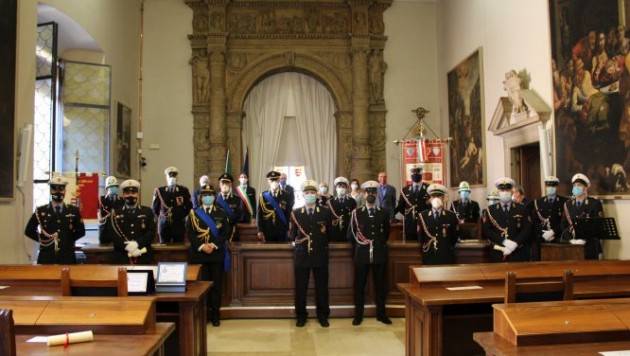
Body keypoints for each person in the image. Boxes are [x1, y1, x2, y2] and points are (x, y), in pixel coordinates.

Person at [348, 180, 391, 326]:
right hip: (362, 254)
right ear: (364, 194)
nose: (371, 194)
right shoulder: (357, 213)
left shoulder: (383, 213)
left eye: (374, 192)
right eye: (368, 192)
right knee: (359, 286)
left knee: (381, 286)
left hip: (379, 253)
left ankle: (381, 314)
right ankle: (358, 315)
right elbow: (351, 234)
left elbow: (386, 233)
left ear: (377, 194)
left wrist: (376, 243)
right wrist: (362, 245)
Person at [290, 180, 332, 327]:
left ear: (317, 195)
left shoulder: (325, 212)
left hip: (320, 254)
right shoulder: (296, 213)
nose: (310, 195)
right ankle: (301, 315)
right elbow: (292, 235)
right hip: (302, 255)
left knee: (322, 286)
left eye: (312, 193)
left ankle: (323, 315)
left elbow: (329, 234)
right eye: (307, 193)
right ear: (303, 195)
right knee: (301, 287)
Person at [186, 184, 229, 326]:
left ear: (214, 197)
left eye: (210, 195)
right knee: (201, 286)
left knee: (216, 286)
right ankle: (203, 315)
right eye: (205, 195)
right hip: (199, 255)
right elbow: (190, 233)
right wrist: (202, 246)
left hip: (216, 254)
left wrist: (213, 245)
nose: (208, 197)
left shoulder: (221, 213)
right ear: (200, 198)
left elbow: (225, 233)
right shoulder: (193, 213)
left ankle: (215, 315)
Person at [25, 176, 85, 264]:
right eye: (54, 188)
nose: (58, 192)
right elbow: (29, 231)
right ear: (50, 191)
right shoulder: (41, 211)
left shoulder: (73, 211)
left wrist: (68, 240)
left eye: (61, 189)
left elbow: (81, 231)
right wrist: (43, 240)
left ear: (65, 191)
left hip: (67, 257)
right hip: (46, 257)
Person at [482, 177, 532, 262]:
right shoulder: (490, 210)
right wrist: (504, 241)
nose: (505, 193)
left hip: (518, 253)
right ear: (498, 192)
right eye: (502, 190)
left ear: (512, 191)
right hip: (497, 253)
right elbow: (487, 231)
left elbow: (527, 229)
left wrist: (515, 243)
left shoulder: (522, 208)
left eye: (507, 190)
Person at [105, 179, 155, 264]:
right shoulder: (115, 213)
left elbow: (151, 232)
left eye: (133, 193)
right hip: (121, 256)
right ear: (123, 195)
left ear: (137, 195)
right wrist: (127, 246)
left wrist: (137, 244)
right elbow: (112, 234)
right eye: (127, 193)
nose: (130, 195)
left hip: (143, 255)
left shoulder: (147, 211)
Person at [562, 173, 604, 260]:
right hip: (571, 247)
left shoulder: (595, 204)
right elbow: (563, 225)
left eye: (579, 185)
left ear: (585, 188)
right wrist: (570, 240)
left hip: (590, 247)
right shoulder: (568, 204)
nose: (576, 187)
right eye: (574, 185)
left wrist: (584, 239)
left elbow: (598, 227)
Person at [417, 184, 460, 265]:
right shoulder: (422, 216)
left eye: (439, 196)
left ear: (443, 198)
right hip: (429, 255)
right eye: (433, 196)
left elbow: (454, 237)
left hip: (446, 255)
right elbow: (421, 237)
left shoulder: (451, 216)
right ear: (430, 199)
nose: (436, 199)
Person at [528, 176, 567, 261]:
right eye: (549, 186)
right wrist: (543, 234)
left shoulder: (565, 202)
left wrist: (553, 232)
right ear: (545, 187)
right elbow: (534, 222)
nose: (551, 188)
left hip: (558, 239)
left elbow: (565, 221)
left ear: (557, 187)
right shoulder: (537, 202)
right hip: (541, 240)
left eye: (553, 186)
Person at [152, 166, 192, 243]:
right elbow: (155, 209)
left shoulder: (183, 190)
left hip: (179, 224)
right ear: (166, 177)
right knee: (164, 249)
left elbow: (189, 207)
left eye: (174, 175)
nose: (172, 178)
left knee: (179, 249)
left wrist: (180, 215)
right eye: (170, 176)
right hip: (164, 225)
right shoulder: (159, 191)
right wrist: (163, 217)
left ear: (177, 177)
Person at [394, 167, 429, 241]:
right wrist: (409, 215)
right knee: (410, 246)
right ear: (411, 176)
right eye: (414, 174)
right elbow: (401, 206)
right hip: (410, 224)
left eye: (418, 174)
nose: (416, 175)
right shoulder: (405, 190)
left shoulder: (428, 188)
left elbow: (431, 206)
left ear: (421, 175)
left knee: (424, 245)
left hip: (425, 223)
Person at [257, 171, 291, 242]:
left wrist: (288, 229)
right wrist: (260, 230)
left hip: (282, 230)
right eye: (271, 180)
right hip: (267, 230)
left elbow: (288, 214)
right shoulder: (263, 196)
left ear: (279, 180)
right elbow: (259, 215)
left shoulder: (286, 195)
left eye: (275, 180)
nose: (274, 182)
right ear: (268, 181)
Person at [215, 173, 244, 241]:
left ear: (231, 184)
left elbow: (240, 215)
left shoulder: (237, 199)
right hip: (217, 231)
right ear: (219, 184)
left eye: (227, 183)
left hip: (232, 233)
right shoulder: (214, 199)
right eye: (223, 183)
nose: (224, 185)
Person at [327, 177, 357, 242]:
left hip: (348, 232)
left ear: (346, 188)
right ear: (336, 188)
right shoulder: (330, 202)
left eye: (343, 186)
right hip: (334, 233)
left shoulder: (352, 201)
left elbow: (354, 218)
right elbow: (328, 219)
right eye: (339, 186)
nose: (341, 188)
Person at [98, 176, 123, 244]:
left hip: (118, 233)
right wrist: (108, 216)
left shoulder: (122, 200)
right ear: (107, 188)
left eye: (115, 186)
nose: (113, 188)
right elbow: (99, 218)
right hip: (105, 234)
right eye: (111, 186)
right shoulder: (101, 200)